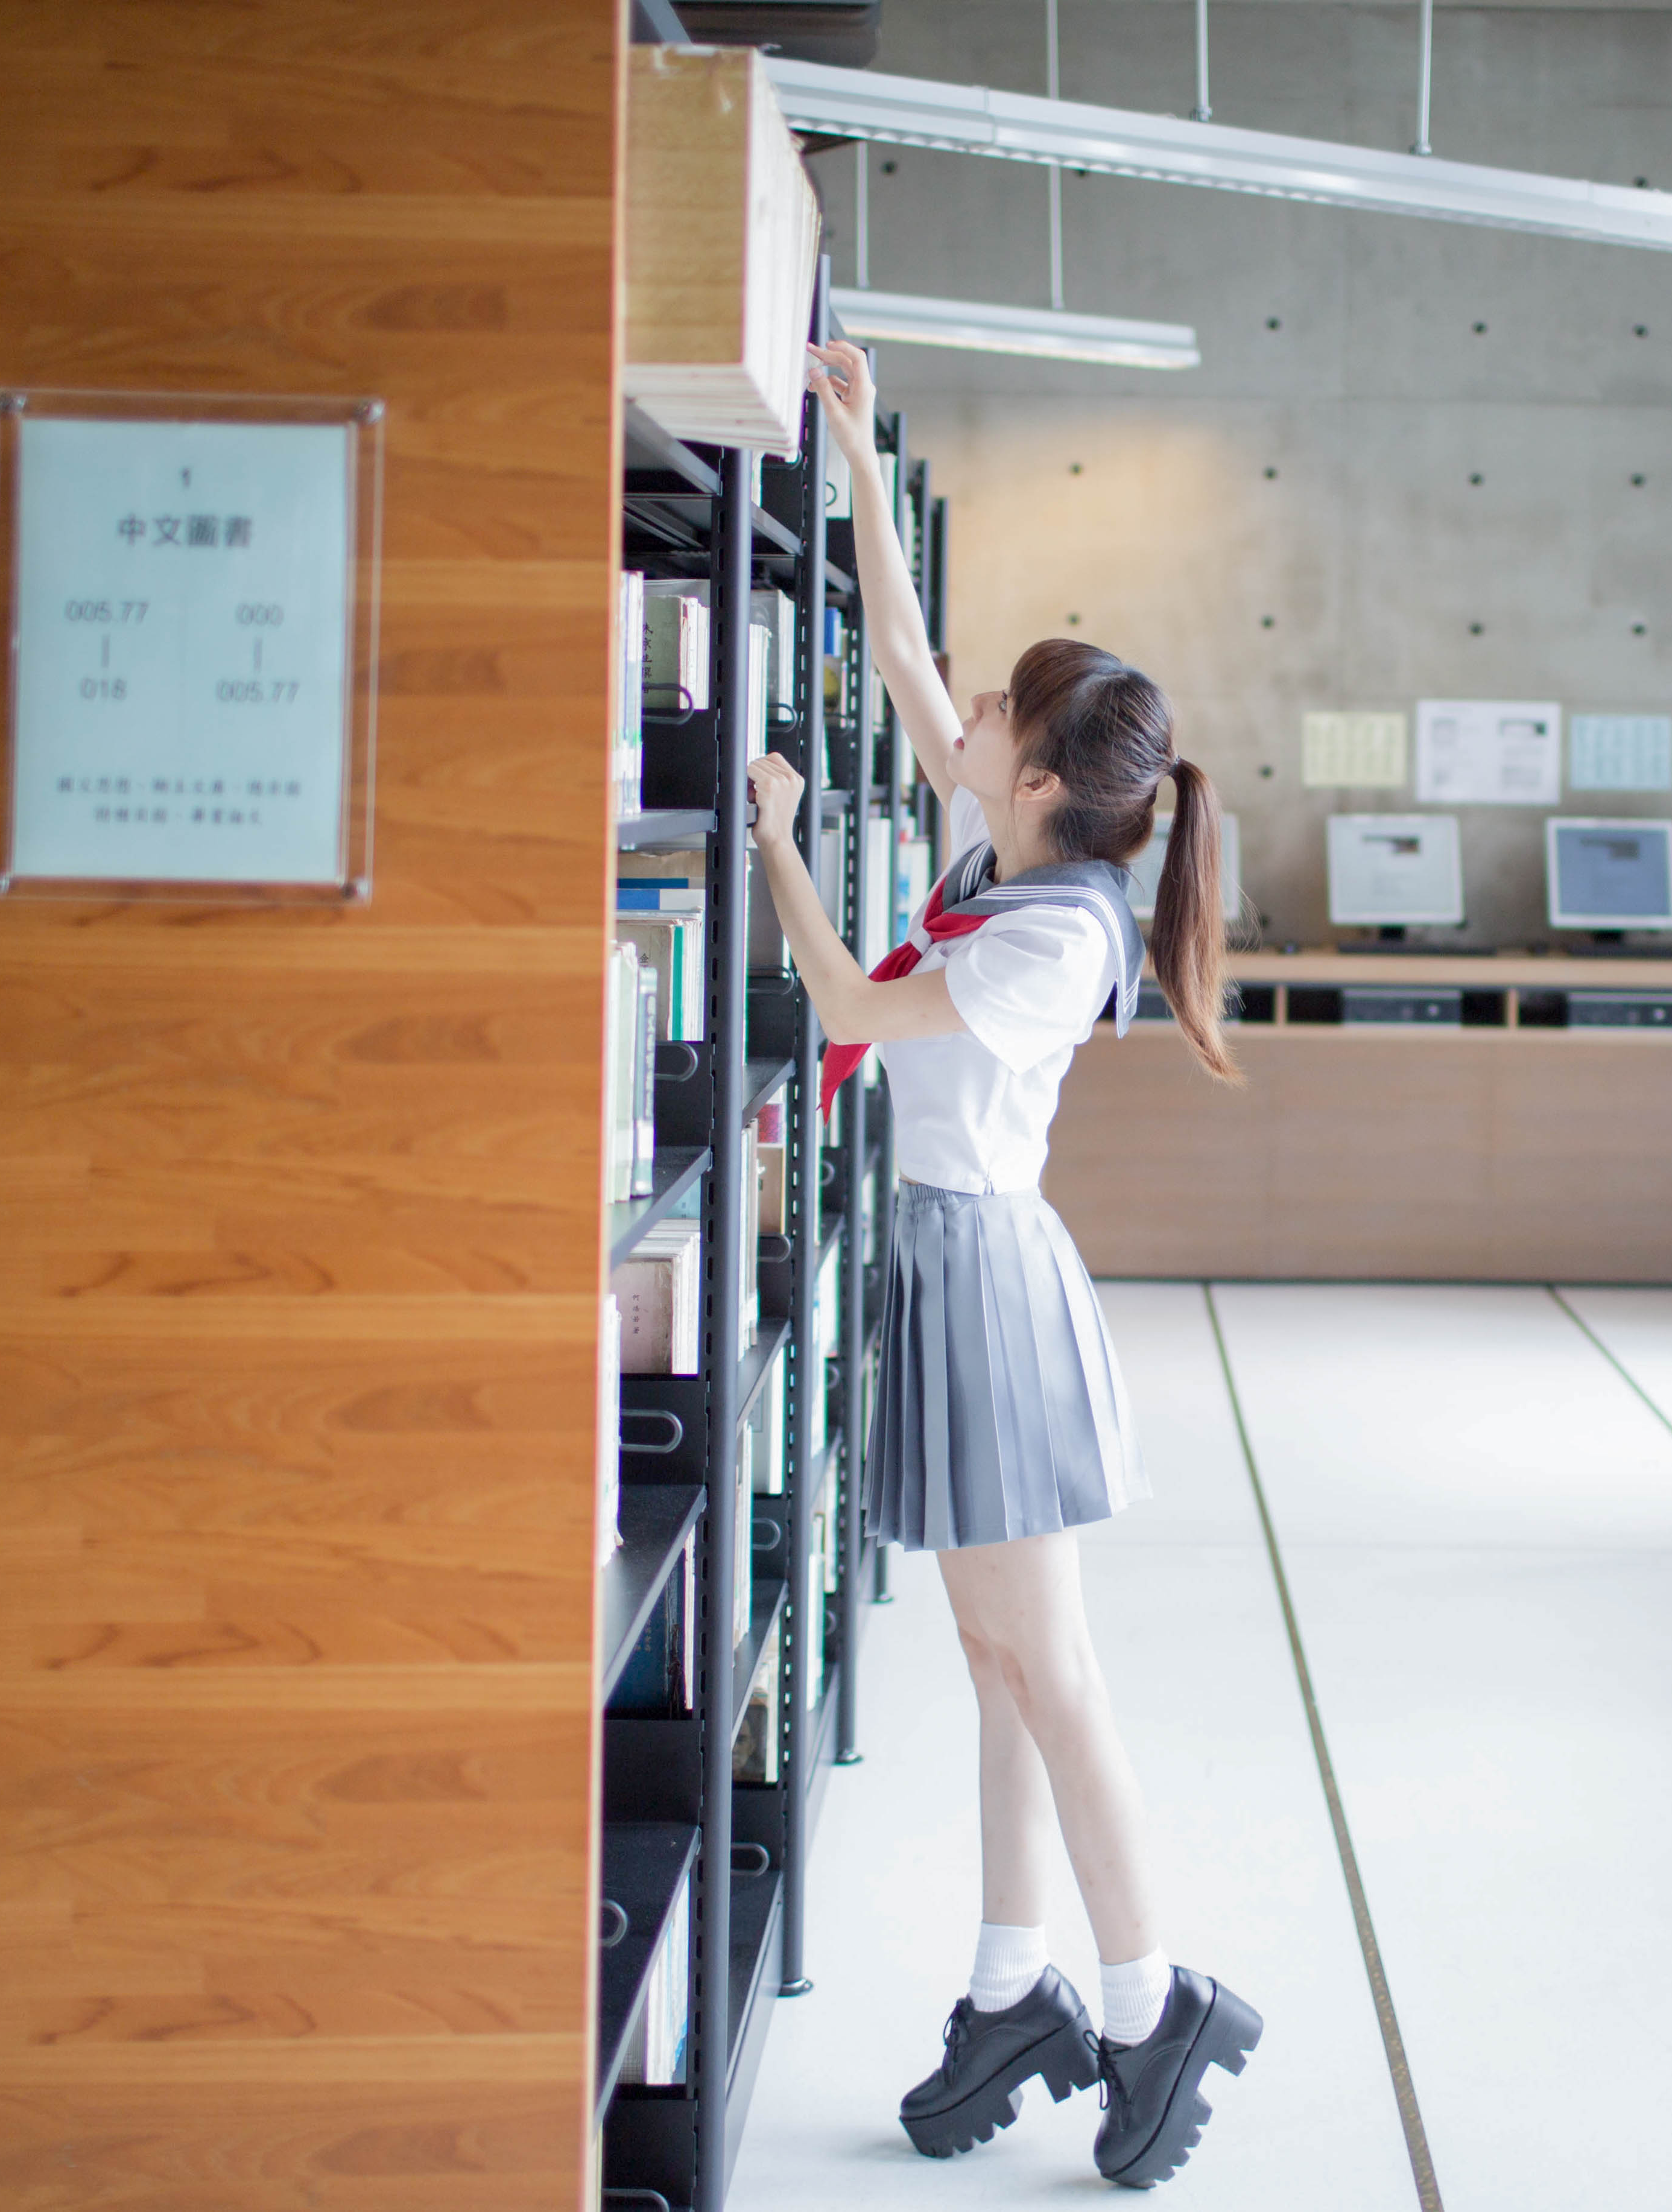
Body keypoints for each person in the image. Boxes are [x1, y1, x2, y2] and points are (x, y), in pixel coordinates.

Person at [743, 335, 1259, 2190]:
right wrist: (865, 466)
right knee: (994, 1660)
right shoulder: (1017, 851)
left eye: (991, 713)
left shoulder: (1053, 936)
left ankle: (1149, 2002)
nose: (955, 711)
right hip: (944, 1273)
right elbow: (898, 655)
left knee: (1053, 1669)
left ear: (1037, 776)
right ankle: (1010, 1982)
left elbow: (846, 1006)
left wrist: (781, 837)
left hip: (988, 1287)